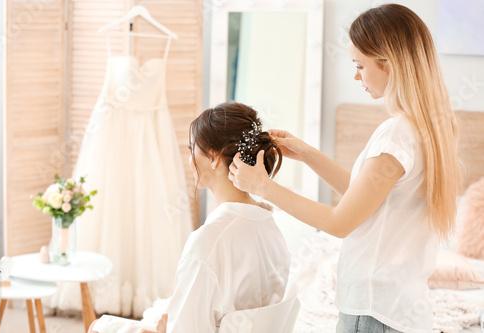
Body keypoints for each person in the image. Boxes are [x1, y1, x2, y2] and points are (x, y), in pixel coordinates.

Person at [228, 4, 461, 333]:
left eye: (360, 65)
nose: (356, 76)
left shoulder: (397, 132)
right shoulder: (429, 128)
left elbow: (341, 223)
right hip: (400, 307)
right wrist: (308, 154)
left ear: (389, 63)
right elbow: (365, 197)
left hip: (373, 311)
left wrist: (264, 188)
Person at [88, 102, 291, 333]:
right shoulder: (268, 222)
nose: (189, 159)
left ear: (214, 157)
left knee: (99, 326)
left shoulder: (209, 241)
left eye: (191, 149)